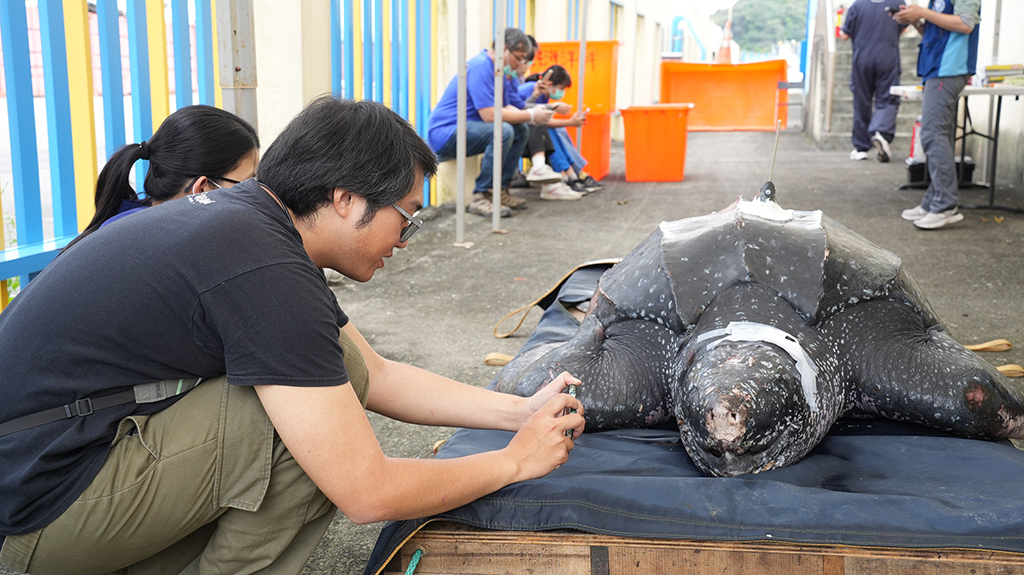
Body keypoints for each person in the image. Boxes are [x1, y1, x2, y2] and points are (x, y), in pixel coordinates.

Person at [0, 97, 585, 573]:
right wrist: (513, 463)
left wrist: (521, 413)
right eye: (405, 216)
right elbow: (366, 490)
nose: (405, 239)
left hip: (45, 478)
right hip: (34, 513)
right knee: (308, 431)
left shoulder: (249, 226)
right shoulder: (263, 265)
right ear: (344, 198)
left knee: (334, 380)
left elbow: (377, 373)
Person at [63, 105, 260, 251]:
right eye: (246, 184)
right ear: (201, 189)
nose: (255, 193)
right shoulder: (146, 244)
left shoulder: (134, 224)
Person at [428, 27, 556, 218]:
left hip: (468, 131)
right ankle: (481, 195)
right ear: (505, 49)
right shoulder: (481, 66)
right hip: (445, 134)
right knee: (503, 130)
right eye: (519, 57)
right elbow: (489, 115)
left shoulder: (498, 72)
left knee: (520, 129)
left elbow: (509, 108)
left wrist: (532, 114)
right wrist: (530, 115)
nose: (521, 64)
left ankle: (500, 191)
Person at [894, 0, 980, 229]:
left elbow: (966, 24)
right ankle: (933, 201)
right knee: (938, 136)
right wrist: (916, 20)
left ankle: (944, 205)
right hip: (937, 69)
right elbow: (936, 30)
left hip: (949, 70)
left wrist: (922, 12)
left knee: (933, 134)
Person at [840, 0, 907, 162]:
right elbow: (904, 28)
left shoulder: (857, 5)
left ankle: (861, 147)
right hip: (887, 58)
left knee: (861, 100)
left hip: (862, 58)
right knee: (888, 97)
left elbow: (844, 35)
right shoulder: (897, 3)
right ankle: (881, 133)